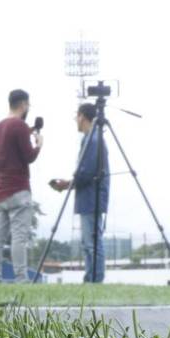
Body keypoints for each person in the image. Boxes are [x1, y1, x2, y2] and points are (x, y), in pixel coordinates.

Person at [49, 102, 109, 283]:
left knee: (91, 243)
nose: (76, 120)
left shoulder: (92, 138)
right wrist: (69, 183)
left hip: (91, 197)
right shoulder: (94, 138)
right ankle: (91, 278)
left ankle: (94, 280)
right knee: (90, 243)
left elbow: (87, 172)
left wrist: (68, 184)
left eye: (77, 116)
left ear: (82, 116)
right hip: (91, 197)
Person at [0, 89, 42, 282]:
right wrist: (38, 145)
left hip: (1, 189)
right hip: (18, 188)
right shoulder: (19, 125)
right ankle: (21, 278)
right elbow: (28, 156)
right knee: (19, 237)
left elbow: (3, 153)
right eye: (28, 105)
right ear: (23, 104)